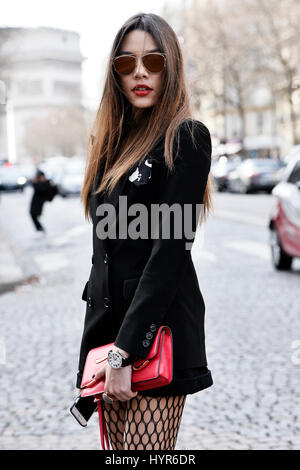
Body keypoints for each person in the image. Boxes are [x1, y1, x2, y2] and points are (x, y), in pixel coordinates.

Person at [77, 12, 214, 451]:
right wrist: (103, 349)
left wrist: (126, 351)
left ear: (169, 68)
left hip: (156, 334)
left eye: (153, 62)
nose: (139, 72)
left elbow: (169, 253)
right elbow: (104, 257)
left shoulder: (186, 138)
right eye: (126, 63)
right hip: (109, 334)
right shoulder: (108, 145)